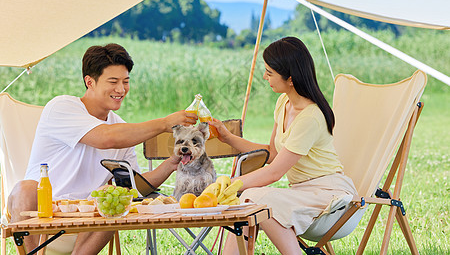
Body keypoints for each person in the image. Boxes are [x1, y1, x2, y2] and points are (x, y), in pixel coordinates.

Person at [7, 43, 197, 254]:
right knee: (25, 188)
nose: (121, 89)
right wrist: (164, 123)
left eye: (126, 82)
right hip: (40, 220)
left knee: (118, 192)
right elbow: (105, 138)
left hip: (89, 228)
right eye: (113, 82)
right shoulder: (62, 107)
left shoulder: (121, 129)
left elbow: (136, 186)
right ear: (90, 82)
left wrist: (172, 163)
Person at [210, 37, 357, 254]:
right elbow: (272, 153)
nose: (264, 77)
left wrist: (228, 185)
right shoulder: (284, 103)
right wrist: (228, 138)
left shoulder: (310, 117)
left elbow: (274, 173)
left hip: (330, 198)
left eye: (269, 72)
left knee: (256, 197)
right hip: (301, 193)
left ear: (290, 78)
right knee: (252, 199)